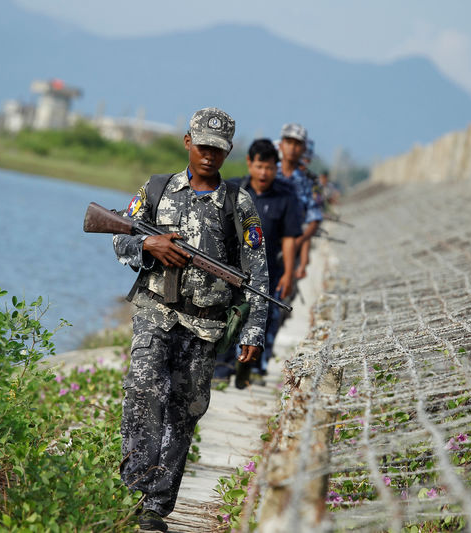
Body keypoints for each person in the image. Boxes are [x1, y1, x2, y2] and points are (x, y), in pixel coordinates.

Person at [112, 107, 269, 531]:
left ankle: (154, 509)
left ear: (228, 152)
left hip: (206, 327)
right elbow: (118, 236)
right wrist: (150, 246)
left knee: (185, 412)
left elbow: (258, 274)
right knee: (143, 390)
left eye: (218, 150)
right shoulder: (157, 189)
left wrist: (253, 332)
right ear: (187, 142)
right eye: (202, 146)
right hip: (155, 313)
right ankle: (131, 489)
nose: (209, 156)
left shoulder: (238, 203)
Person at [214, 139, 302, 387]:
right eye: (260, 166)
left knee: (262, 318)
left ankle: (249, 368)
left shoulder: (286, 197)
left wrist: (288, 274)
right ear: (249, 164)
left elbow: (289, 237)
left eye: (270, 168)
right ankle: (221, 368)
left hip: (269, 270)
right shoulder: (233, 190)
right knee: (226, 316)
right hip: (232, 268)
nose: (264, 173)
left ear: (277, 167)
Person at [276, 123, 322, 280]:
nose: (292, 148)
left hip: (291, 250)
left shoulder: (307, 181)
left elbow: (313, 220)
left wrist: (296, 244)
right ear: (281, 145)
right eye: (289, 142)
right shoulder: (268, 173)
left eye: (297, 144)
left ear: (303, 149)